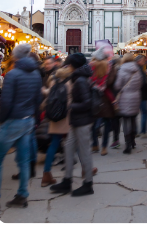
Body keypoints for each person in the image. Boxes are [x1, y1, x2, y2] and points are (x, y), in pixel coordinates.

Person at [0, 43, 43, 210]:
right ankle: (22, 195)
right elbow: (38, 100)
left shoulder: (13, 74)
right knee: (24, 160)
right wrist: (35, 119)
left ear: (15, 56)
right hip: (29, 120)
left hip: (14, 121)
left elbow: (6, 102)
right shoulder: (36, 74)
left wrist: (2, 120)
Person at [49, 53, 95, 197]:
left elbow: (87, 103)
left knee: (84, 151)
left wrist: (71, 106)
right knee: (68, 148)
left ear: (73, 65)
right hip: (76, 120)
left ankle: (88, 184)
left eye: (68, 64)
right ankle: (67, 180)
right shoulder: (77, 77)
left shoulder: (80, 80)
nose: (67, 67)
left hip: (82, 121)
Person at [40, 64, 72, 187]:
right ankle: (84, 170)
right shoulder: (70, 82)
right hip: (67, 117)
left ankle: (46, 174)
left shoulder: (54, 81)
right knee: (74, 142)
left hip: (54, 117)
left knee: (53, 144)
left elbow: (48, 94)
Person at [114, 53, 144, 154]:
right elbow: (141, 84)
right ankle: (133, 141)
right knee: (133, 119)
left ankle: (128, 145)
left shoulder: (122, 70)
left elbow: (117, 85)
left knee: (126, 120)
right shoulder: (137, 70)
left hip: (125, 97)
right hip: (136, 97)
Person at [89, 48, 111, 153]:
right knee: (107, 124)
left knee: (93, 124)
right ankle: (104, 147)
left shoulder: (91, 67)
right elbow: (110, 86)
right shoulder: (108, 67)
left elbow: (88, 83)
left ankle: (94, 145)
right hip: (105, 99)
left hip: (93, 98)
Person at [105, 55, 122, 149]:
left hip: (114, 97)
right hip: (123, 96)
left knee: (115, 119)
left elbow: (108, 84)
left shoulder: (113, 71)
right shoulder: (122, 70)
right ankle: (130, 140)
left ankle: (115, 139)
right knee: (125, 118)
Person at [135, 54, 147, 139]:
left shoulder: (136, 69)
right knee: (144, 113)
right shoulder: (140, 70)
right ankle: (143, 131)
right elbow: (143, 83)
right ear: (139, 61)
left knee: (135, 113)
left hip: (136, 94)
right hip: (142, 94)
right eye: (143, 60)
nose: (145, 62)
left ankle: (135, 131)